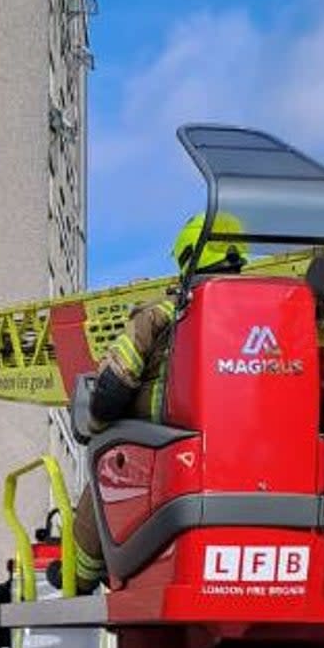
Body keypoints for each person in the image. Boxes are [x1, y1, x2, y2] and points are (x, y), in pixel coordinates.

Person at [70, 215, 248, 593]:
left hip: (164, 440)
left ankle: (81, 575)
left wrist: (98, 425)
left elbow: (113, 389)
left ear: (187, 256)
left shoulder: (163, 313)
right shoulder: (262, 315)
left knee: (102, 462)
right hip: (244, 446)